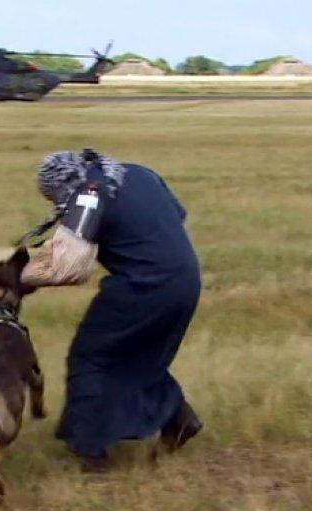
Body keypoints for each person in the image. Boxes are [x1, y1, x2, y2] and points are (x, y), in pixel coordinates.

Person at [21, 149, 203, 472]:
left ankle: (90, 451)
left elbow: (70, 268)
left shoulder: (87, 194)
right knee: (139, 356)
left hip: (143, 286)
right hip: (187, 279)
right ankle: (179, 419)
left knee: (92, 356)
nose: (56, 207)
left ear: (61, 186)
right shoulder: (137, 172)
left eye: (54, 200)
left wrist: (18, 275)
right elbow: (178, 215)